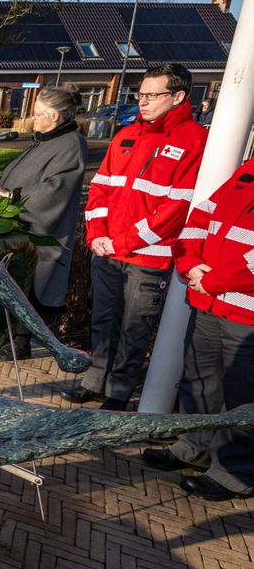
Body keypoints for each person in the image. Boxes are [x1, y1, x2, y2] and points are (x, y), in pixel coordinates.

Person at [63, 63, 208, 410]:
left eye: (151, 95)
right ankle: (95, 380)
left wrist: (122, 242)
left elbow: (175, 208)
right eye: (140, 94)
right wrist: (97, 235)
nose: (142, 101)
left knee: (134, 328)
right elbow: (100, 188)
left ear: (177, 96)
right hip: (106, 250)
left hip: (148, 258)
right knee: (102, 319)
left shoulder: (195, 142)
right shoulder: (126, 135)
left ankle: (118, 392)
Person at [140, 158, 254, 501]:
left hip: (245, 314)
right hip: (210, 301)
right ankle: (194, 446)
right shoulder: (247, 169)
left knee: (242, 397)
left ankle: (236, 472)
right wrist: (189, 263)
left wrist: (213, 280)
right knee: (200, 380)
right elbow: (200, 220)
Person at [0, 86, 88, 358]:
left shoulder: (71, 144)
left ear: (55, 116)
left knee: (30, 290)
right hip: (17, 229)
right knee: (14, 286)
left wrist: (13, 196)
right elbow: (20, 174)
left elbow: (57, 188)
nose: (33, 119)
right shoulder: (43, 139)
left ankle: (19, 344)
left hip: (41, 232)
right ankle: (3, 339)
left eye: (38, 114)